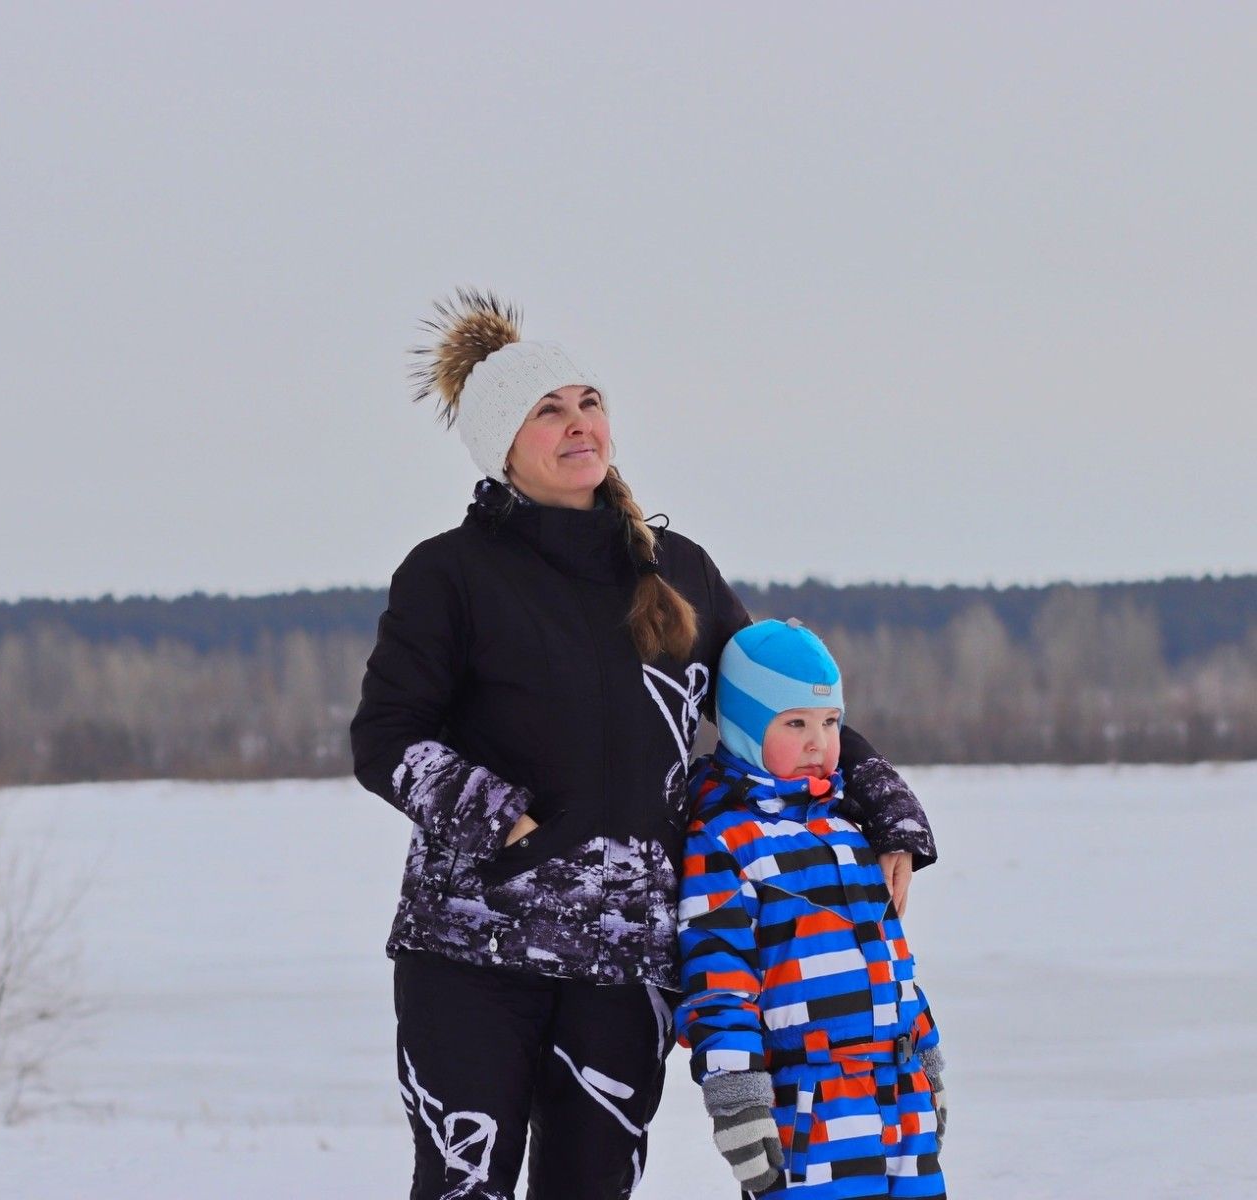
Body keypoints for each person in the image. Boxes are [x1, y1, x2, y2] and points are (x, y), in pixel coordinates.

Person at [350, 290, 938, 1200]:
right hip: (471, 957)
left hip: (627, 967)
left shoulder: (680, 570)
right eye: (549, 410)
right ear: (502, 445)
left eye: (589, 402)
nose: (578, 423)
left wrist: (884, 809)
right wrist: (503, 818)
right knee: (465, 1188)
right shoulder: (449, 574)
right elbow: (386, 738)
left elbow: (776, 708)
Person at [676, 618, 946, 1198]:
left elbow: (890, 955)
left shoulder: (848, 829)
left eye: (830, 722)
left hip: (898, 1099)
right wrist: (738, 1101)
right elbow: (719, 985)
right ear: (745, 726)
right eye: (794, 723)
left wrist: (924, 1051)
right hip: (808, 1110)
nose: (818, 742)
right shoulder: (726, 842)